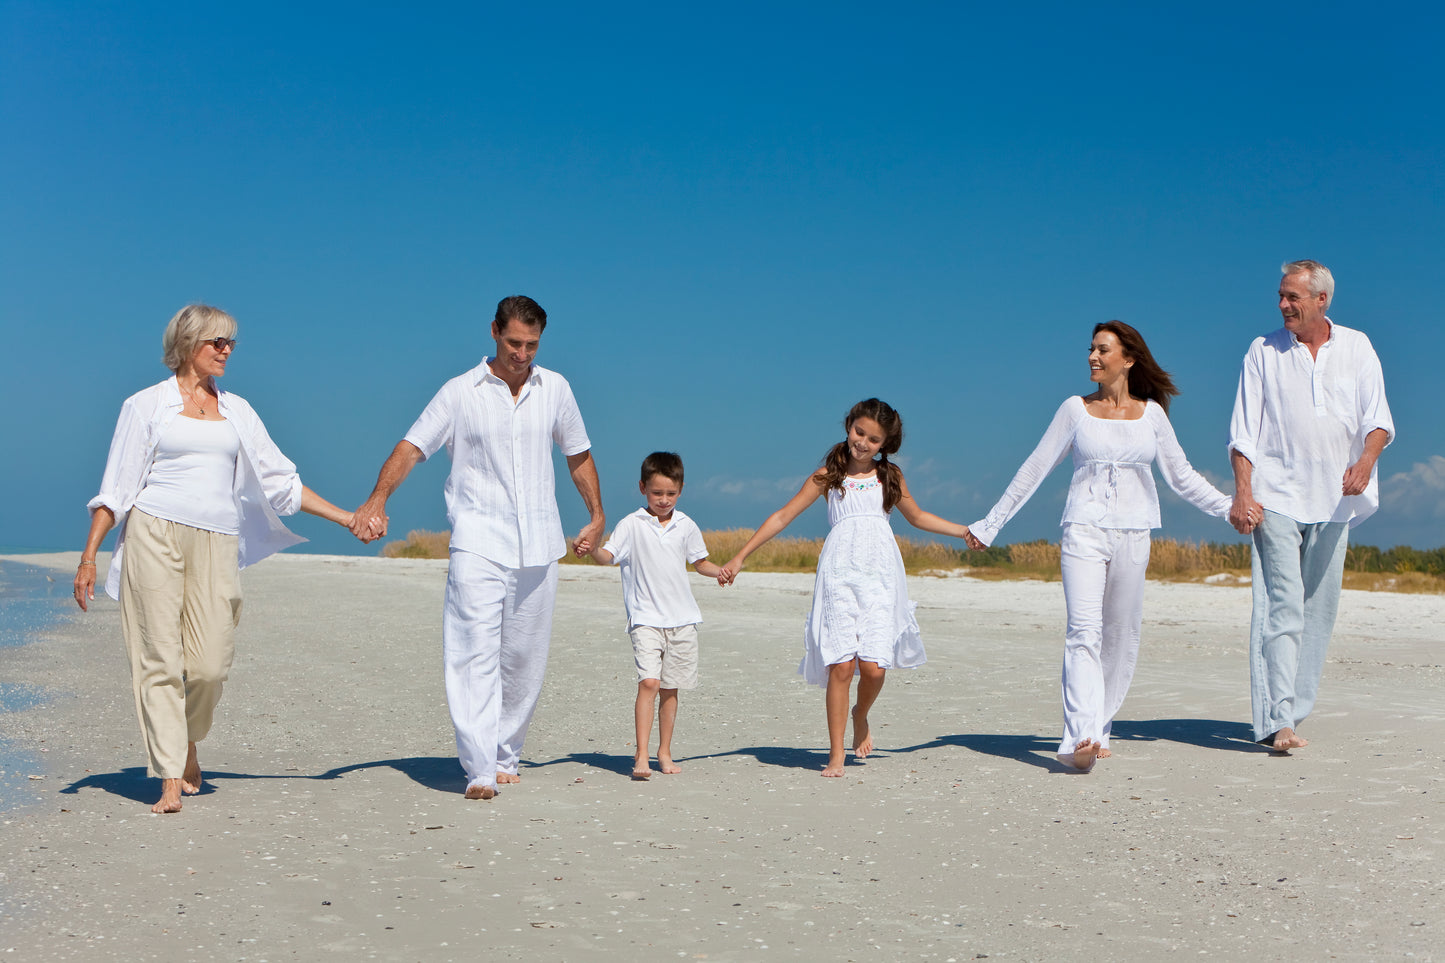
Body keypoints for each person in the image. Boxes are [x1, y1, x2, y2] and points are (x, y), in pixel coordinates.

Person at [73, 304, 358, 814]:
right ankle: (166, 776)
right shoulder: (145, 406)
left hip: (217, 541)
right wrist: (89, 556)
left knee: (208, 666)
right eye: (216, 342)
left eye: (230, 343)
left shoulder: (238, 412)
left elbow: (281, 482)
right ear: (187, 345)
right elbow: (116, 487)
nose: (226, 350)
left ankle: (186, 741)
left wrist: (347, 518)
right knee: (159, 657)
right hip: (153, 534)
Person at [350, 295, 605, 800]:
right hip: (477, 540)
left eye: (531, 345)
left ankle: (507, 753)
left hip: (538, 543)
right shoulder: (459, 392)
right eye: (514, 342)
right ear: (493, 331)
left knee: (523, 659)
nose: (522, 353)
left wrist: (597, 515)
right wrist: (378, 497)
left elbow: (578, 453)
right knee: (473, 653)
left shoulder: (555, 389)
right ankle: (480, 768)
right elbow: (412, 447)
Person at [962, 321, 1232, 771]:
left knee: (1120, 636)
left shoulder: (1152, 416)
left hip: (1134, 533)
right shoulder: (1074, 410)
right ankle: (1079, 737)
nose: (1092, 356)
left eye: (1102, 350)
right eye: (1090, 348)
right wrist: (990, 523)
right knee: (1083, 632)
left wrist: (1232, 507)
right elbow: (1035, 469)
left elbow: (1182, 477)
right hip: (1083, 530)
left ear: (1127, 359)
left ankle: (1100, 723)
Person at [718, 399, 970, 777]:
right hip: (838, 574)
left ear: (885, 444)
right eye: (859, 432)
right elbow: (783, 515)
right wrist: (740, 556)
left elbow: (917, 516)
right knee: (840, 665)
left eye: (873, 439)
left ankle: (860, 714)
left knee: (874, 669)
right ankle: (836, 753)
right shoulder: (827, 477)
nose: (863, 443)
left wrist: (964, 531)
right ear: (848, 426)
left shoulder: (890, 478)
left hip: (881, 575)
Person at [1228, 260, 1393, 753]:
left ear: (1322, 300)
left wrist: (1365, 462)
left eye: (1293, 297)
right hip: (1275, 496)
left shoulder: (1358, 346)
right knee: (1281, 606)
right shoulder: (1262, 351)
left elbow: (1378, 419)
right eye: (1281, 296)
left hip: (1337, 499)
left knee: (1317, 613)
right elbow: (1243, 433)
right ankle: (1277, 720)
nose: (1283, 305)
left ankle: (1293, 714)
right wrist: (1243, 492)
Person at [587, 452, 725, 780]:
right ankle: (641, 754)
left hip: (682, 618)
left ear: (681, 490)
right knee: (649, 682)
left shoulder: (686, 525)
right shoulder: (631, 524)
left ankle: (664, 751)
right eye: (656, 493)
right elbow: (609, 556)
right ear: (642, 488)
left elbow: (700, 562)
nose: (663, 500)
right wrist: (591, 547)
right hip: (645, 617)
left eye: (670, 494)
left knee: (670, 688)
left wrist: (721, 571)